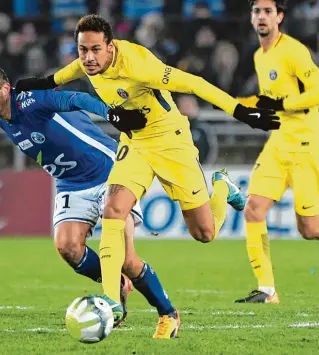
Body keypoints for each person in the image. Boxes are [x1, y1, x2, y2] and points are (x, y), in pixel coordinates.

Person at [15, 14, 281, 338]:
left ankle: (222, 186)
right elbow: (60, 76)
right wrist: (30, 85)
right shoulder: (87, 63)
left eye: (95, 49)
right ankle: (111, 300)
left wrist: (242, 112)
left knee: (205, 233)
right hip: (135, 144)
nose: (87, 57)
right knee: (113, 209)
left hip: (171, 143)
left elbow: (194, 84)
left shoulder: (139, 64)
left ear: (110, 47)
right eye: (82, 49)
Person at [0, 61, 180, 337]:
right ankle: (115, 285)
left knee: (126, 258)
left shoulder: (31, 101)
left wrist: (112, 114)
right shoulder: (1, 118)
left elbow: (76, 98)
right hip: (71, 183)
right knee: (67, 247)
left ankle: (167, 313)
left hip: (111, 170)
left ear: (6, 88)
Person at [233, 0, 319, 304]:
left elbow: (317, 90)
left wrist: (282, 105)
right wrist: (237, 104)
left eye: (268, 11)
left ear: (280, 17)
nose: (262, 16)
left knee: (310, 229)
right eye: (257, 11)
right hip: (278, 144)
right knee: (253, 209)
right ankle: (267, 290)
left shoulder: (293, 51)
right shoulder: (260, 55)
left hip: (305, 145)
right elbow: (267, 98)